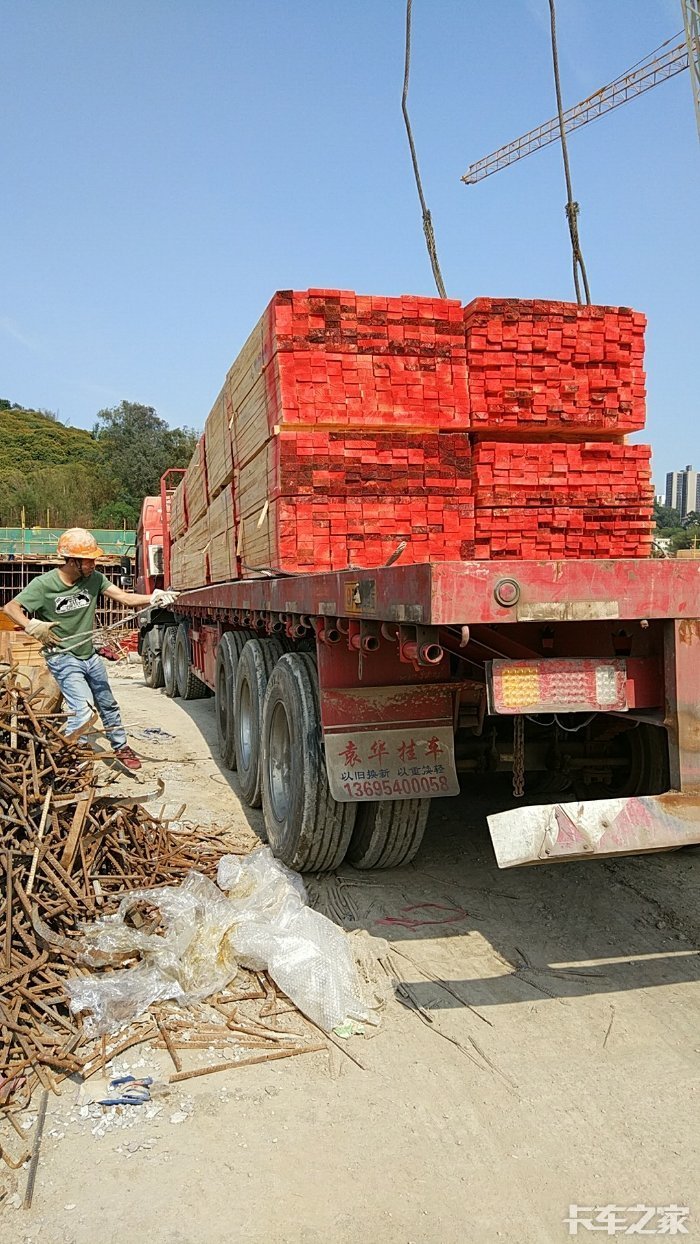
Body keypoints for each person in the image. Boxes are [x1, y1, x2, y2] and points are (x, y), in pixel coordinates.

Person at [2, 527, 177, 771]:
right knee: (82, 711)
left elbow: (124, 598)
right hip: (62, 657)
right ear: (73, 561)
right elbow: (11, 608)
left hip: (89, 655)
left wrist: (154, 597)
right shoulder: (44, 585)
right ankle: (75, 754)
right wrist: (32, 625)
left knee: (107, 703)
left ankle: (120, 746)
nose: (94, 563)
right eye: (89, 559)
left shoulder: (94, 579)